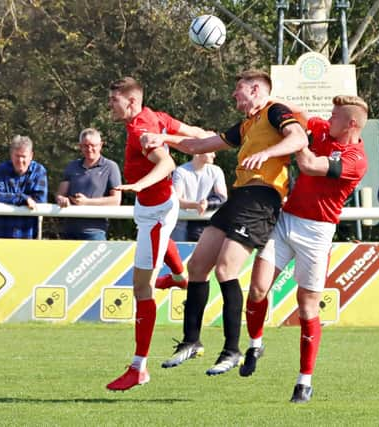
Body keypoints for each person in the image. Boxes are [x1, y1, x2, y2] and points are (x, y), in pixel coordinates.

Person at [142, 69, 308, 375]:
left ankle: (232, 350)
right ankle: (191, 341)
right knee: (197, 267)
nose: (234, 96)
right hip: (239, 197)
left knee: (226, 269)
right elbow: (197, 145)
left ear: (256, 89)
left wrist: (268, 153)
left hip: (262, 199)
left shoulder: (275, 112)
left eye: (239, 91)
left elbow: (299, 137)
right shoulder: (247, 124)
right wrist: (162, 137)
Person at [241, 95, 368, 403]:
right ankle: (256, 344)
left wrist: (298, 140)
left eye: (335, 115)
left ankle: (304, 382)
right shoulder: (325, 129)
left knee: (307, 306)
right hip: (287, 221)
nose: (329, 119)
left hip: (317, 232)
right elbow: (298, 115)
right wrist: (265, 100)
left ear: (351, 124)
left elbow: (309, 165)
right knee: (257, 289)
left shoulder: (355, 158)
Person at [104, 77, 213, 391]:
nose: (111, 105)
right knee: (158, 268)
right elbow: (191, 131)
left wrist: (139, 185)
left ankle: (139, 368)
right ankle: (180, 277)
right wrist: (220, 137)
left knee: (142, 289)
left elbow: (166, 163)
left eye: (115, 100)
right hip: (156, 208)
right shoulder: (154, 117)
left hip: (155, 214)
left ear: (132, 102)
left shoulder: (141, 130)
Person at [56, 128, 122, 240]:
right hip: (69, 230)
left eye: (93, 145)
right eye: (85, 145)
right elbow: (60, 194)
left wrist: (87, 202)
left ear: (100, 145)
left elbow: (116, 200)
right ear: (80, 146)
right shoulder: (72, 166)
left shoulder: (110, 167)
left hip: (95, 231)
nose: (89, 149)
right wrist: (61, 199)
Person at [0, 135, 48, 238]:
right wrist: (23, 199)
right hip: (1, 236)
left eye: (24, 156)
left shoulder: (39, 171)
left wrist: (11, 198)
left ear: (31, 156)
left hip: (28, 236)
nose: (20, 160)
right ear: (11, 155)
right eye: (17, 156)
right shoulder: (1, 171)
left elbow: (39, 200)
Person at [171, 152, 227, 242]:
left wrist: (207, 204)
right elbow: (176, 199)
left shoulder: (217, 171)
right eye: (211, 151)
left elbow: (222, 197)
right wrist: (197, 205)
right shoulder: (180, 171)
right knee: (179, 254)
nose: (214, 155)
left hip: (208, 223)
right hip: (182, 224)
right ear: (197, 153)